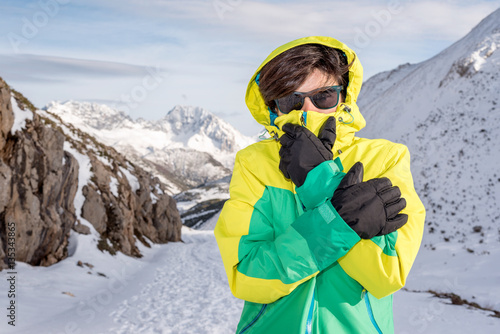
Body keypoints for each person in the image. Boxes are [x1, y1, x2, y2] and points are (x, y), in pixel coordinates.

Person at [214, 36, 425, 334]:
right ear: (274, 108)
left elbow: (387, 274)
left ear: (343, 96)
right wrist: (339, 224)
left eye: (324, 96)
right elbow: (247, 277)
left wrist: (319, 181)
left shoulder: (385, 158)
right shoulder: (254, 163)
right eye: (292, 100)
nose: (309, 111)